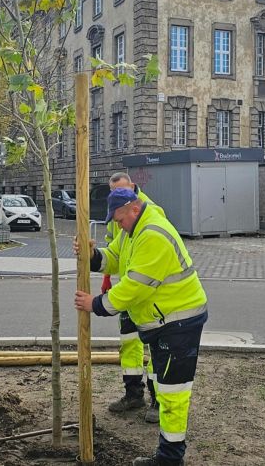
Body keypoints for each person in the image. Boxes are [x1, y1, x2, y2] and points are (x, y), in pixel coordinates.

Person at [75, 188, 208, 466]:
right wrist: (93, 255)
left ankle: (169, 460)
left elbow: (135, 286)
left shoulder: (153, 234)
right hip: (165, 321)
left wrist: (96, 304)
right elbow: (115, 258)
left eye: (120, 220)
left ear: (134, 209)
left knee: (173, 394)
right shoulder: (132, 231)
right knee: (166, 390)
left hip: (178, 322)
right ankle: (168, 457)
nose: (119, 226)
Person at [103, 172, 158, 423]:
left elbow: (146, 263)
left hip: (145, 291)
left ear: (133, 188)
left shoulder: (149, 213)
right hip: (127, 287)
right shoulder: (116, 212)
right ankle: (133, 393)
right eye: (112, 192)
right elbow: (113, 249)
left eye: (121, 191)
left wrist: (100, 304)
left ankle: (158, 399)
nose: (116, 195)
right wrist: (105, 273)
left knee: (155, 348)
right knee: (129, 342)